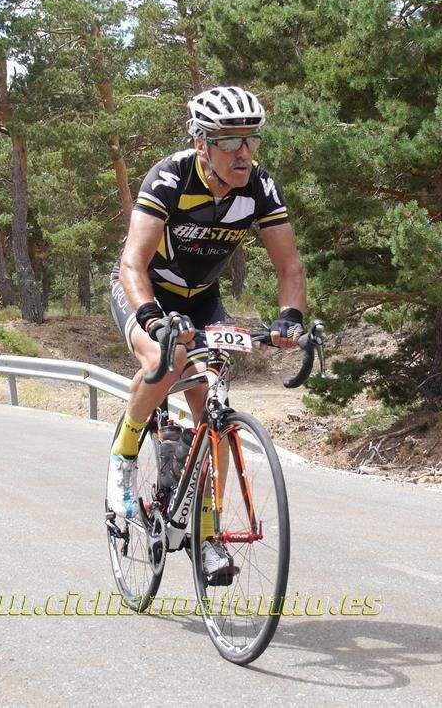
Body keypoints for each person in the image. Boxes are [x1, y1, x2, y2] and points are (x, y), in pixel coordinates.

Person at [106, 86, 308, 585]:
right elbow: (133, 263)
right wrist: (152, 318)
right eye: (230, 142)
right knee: (166, 360)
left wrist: (289, 318)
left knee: (213, 400)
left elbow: (289, 267)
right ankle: (124, 458)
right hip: (146, 289)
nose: (244, 153)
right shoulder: (170, 178)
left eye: (252, 140)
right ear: (202, 144)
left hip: (202, 299)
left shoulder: (260, 187)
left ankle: (206, 531)